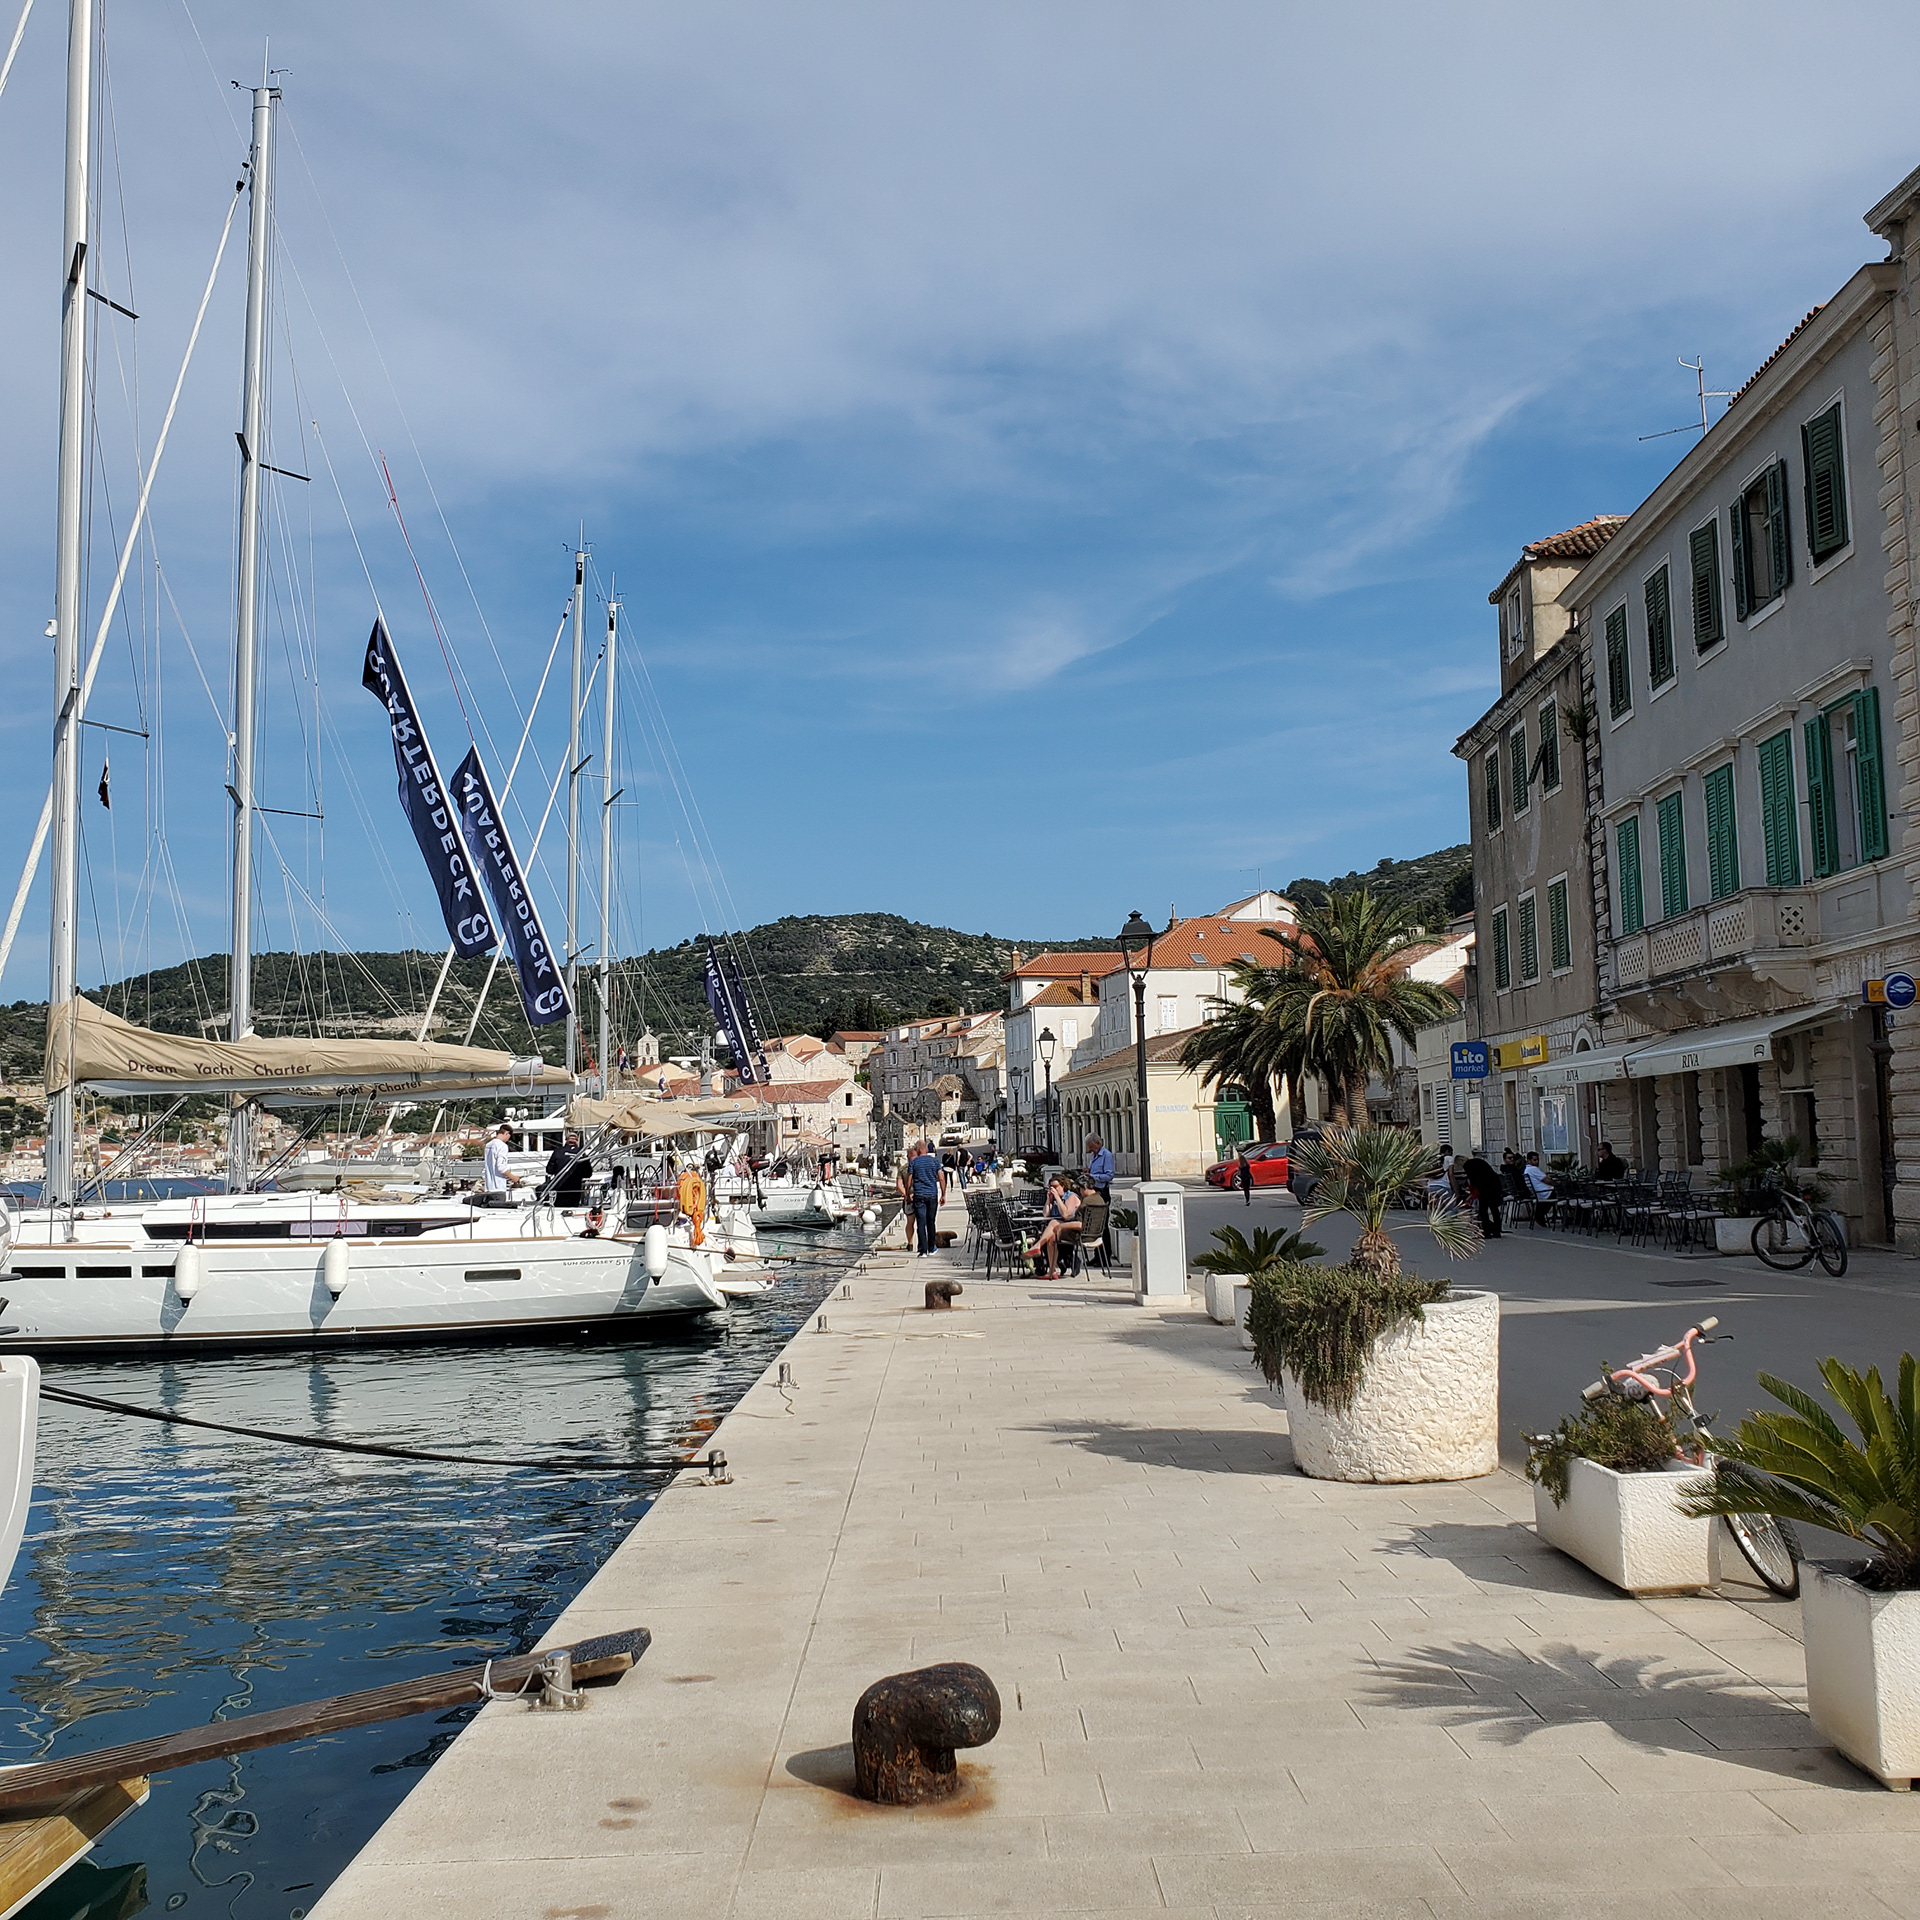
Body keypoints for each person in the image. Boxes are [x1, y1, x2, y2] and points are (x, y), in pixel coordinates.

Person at [1024, 1175, 1082, 1279]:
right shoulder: (1054, 1199)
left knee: (1054, 1222)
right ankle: (1052, 1271)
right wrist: (1048, 1200)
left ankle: (1038, 1245)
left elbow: (1065, 1214)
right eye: (1050, 1187)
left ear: (1063, 1186)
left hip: (1071, 1228)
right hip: (1057, 1229)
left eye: (1055, 1186)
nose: (1053, 1189)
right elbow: (1046, 1214)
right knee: (1051, 1238)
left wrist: (1057, 1198)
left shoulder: (1071, 1197)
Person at [908, 1138, 946, 1257]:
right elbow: (941, 1178)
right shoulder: (934, 1161)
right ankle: (931, 1247)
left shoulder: (913, 1162)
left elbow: (909, 1180)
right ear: (926, 1149)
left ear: (919, 1149)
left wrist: (908, 1194)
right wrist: (943, 1194)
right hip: (932, 1194)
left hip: (919, 1194)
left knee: (921, 1222)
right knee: (931, 1221)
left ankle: (923, 1250)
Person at [1457, 1152, 1503, 1239]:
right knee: (1494, 1209)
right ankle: (1497, 1231)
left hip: (1484, 1188)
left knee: (1483, 1210)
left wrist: (1471, 1193)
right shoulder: (1478, 1161)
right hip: (1494, 1184)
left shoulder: (1468, 1166)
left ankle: (1487, 1232)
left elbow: (1473, 1181)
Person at [543, 1129, 590, 1208]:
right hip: (575, 1191)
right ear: (576, 1141)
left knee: (559, 1208)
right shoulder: (581, 1153)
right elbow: (588, 1174)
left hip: (559, 1190)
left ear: (566, 1140)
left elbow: (549, 1170)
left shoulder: (557, 1152)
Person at [481, 1123, 521, 1207]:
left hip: (488, 1188)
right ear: (507, 1133)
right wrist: (513, 1177)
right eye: (509, 1136)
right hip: (498, 1188)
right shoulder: (502, 1146)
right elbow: (501, 1167)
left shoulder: (488, 1145)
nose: (508, 1139)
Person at [1085, 1135, 1114, 1207]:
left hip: (1102, 1190)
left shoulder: (1107, 1155)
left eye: (1091, 1147)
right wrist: (1088, 1171)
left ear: (1098, 1143)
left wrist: (1092, 1176)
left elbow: (1109, 1176)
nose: (1090, 1150)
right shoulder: (1094, 1155)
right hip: (1093, 1189)